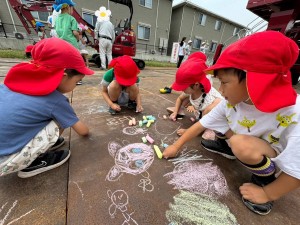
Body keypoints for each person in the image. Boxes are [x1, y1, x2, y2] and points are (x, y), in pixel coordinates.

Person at [162, 31, 300, 216]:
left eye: (224, 82)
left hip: (271, 158)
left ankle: (264, 180)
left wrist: (267, 193)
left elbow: (296, 171)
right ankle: (224, 147)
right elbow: (202, 124)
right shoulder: (231, 103)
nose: (220, 89)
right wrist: (176, 146)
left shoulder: (293, 112)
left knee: (240, 144)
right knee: (220, 119)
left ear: (254, 80)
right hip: (250, 141)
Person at [0, 38, 94, 178]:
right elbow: (83, 131)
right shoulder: (55, 100)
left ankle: (37, 146)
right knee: (60, 119)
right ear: (63, 76)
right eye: (77, 82)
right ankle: (33, 163)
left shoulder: (11, 83)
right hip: (7, 160)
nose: (76, 86)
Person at [167, 52, 223, 137]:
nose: (181, 89)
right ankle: (180, 110)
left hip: (219, 117)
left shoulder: (209, 101)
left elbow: (205, 121)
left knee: (207, 132)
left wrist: (188, 131)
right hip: (203, 113)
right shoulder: (193, 90)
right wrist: (175, 112)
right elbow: (179, 99)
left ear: (196, 85)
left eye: (183, 86)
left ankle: (211, 130)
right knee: (185, 97)